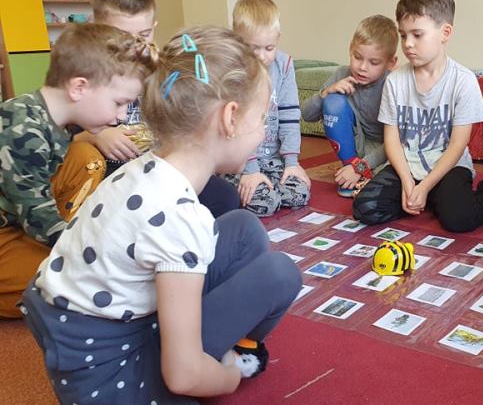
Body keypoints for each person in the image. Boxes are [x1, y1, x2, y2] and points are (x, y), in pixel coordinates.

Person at [20, 26, 302, 404]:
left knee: (243, 227)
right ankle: (228, 353)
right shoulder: (181, 218)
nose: (264, 130)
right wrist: (229, 376)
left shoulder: (142, 169)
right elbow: (184, 377)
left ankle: (214, 340)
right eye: (262, 118)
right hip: (113, 369)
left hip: (80, 328)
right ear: (230, 118)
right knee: (280, 273)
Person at [0, 24, 155, 318]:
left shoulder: (59, 119)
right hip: (12, 228)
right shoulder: (24, 129)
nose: (121, 116)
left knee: (85, 157)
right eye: (119, 103)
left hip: (16, 220)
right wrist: (96, 253)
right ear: (79, 88)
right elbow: (37, 215)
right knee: (65, 279)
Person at [77, 0, 240, 217]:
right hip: (113, 176)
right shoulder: (82, 74)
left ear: (154, 27)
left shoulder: (161, 69)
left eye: (143, 35)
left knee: (225, 197)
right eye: (122, 36)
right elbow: (64, 142)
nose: (134, 46)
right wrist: (96, 136)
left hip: (159, 167)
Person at [352, 0, 483, 232]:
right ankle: (428, 199)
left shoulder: (463, 81)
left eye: (417, 35)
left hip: (449, 167)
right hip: (406, 166)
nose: (408, 44)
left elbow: (458, 144)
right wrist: (408, 183)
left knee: (458, 219)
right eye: (403, 35)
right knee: (365, 207)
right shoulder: (395, 81)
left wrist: (426, 185)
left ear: (445, 32)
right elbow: (392, 139)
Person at [226, 0, 310, 216]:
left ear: (278, 39)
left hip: (273, 160)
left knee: (298, 194)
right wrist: (251, 170)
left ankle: (268, 187)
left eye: (269, 48)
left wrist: (291, 163)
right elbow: (234, 127)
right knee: (265, 202)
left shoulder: (284, 65)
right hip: (239, 162)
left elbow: (290, 116)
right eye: (253, 48)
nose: (262, 57)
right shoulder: (231, 69)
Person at [301, 15, 398, 197]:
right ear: (350, 49)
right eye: (357, 57)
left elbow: (398, 141)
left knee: (387, 187)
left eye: (374, 62)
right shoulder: (342, 74)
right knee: (333, 101)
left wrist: (361, 167)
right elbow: (306, 115)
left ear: (390, 63)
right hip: (356, 145)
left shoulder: (394, 84)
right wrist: (326, 93)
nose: (362, 67)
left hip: (389, 151)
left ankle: (358, 172)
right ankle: (349, 168)